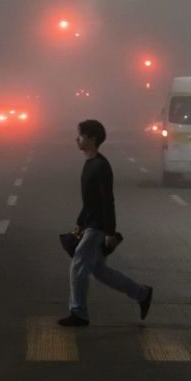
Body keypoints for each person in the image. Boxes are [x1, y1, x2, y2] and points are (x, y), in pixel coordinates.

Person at [58, 119, 153, 327]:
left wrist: (110, 231)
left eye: (81, 136)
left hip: (98, 226)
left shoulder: (101, 166)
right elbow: (90, 200)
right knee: (99, 271)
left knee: (78, 265)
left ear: (92, 139)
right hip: (90, 223)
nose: (77, 139)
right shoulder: (90, 163)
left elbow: (107, 200)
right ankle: (141, 293)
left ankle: (79, 312)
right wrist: (79, 222)